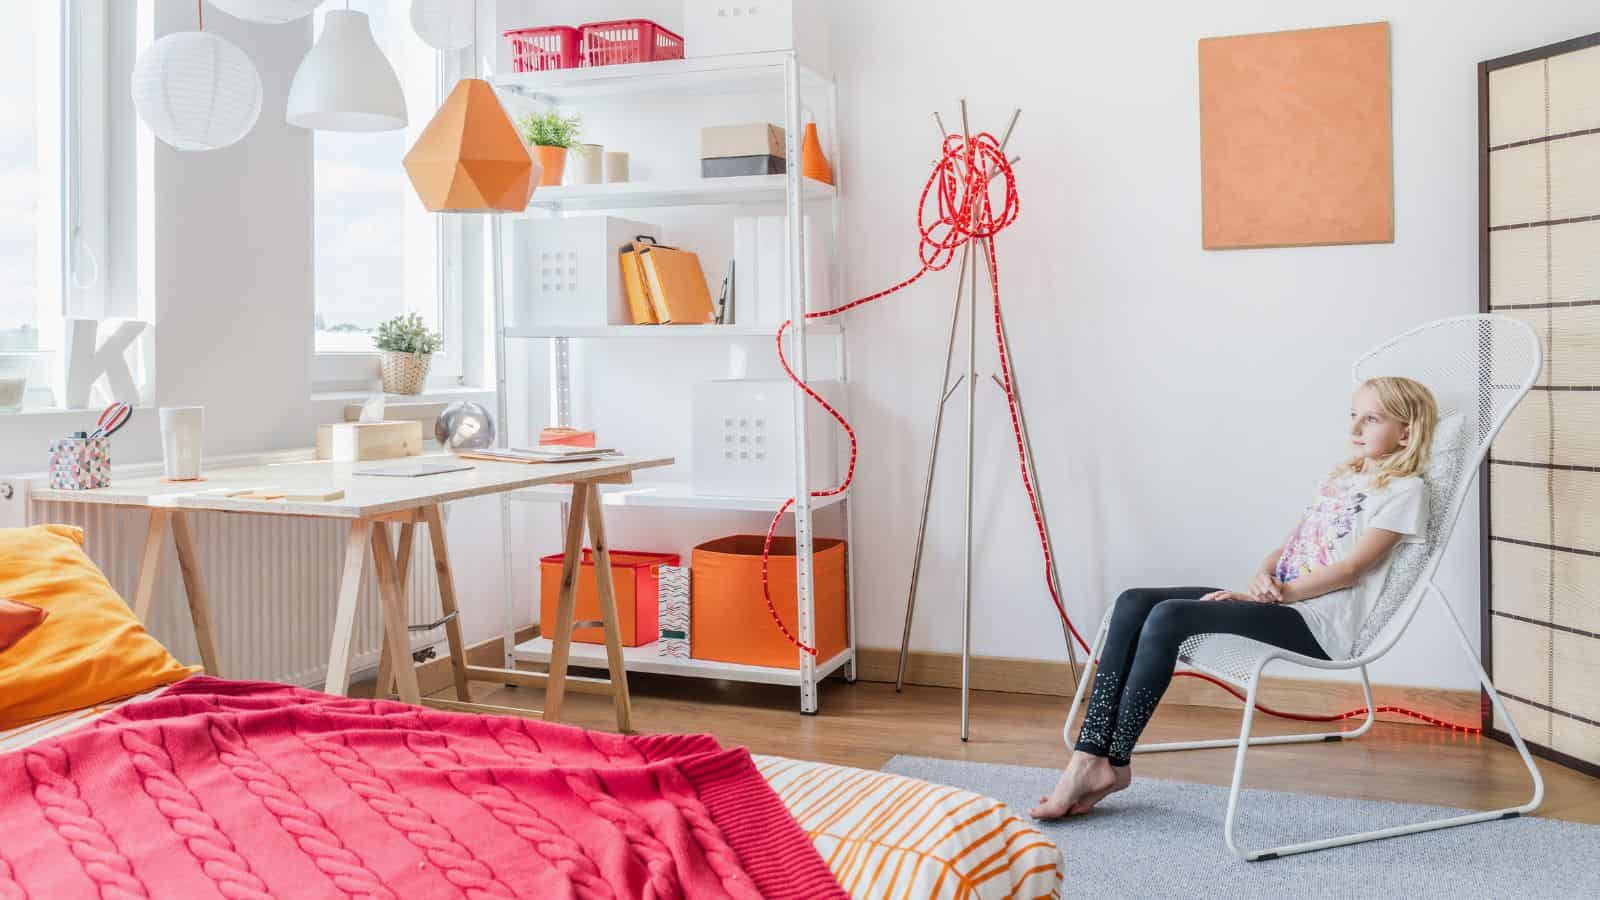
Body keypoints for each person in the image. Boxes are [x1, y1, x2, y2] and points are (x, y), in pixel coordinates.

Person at [1030, 376, 1437, 820]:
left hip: (1317, 623)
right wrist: (1264, 576)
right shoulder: (1344, 479)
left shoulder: (1405, 492)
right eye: (1353, 415)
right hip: (1280, 600)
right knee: (1133, 601)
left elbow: (1352, 569)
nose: (1355, 427)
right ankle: (1090, 757)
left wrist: (1277, 596)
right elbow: (1290, 547)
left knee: (1167, 618)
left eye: (1371, 418)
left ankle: (1114, 760)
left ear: (1406, 430)